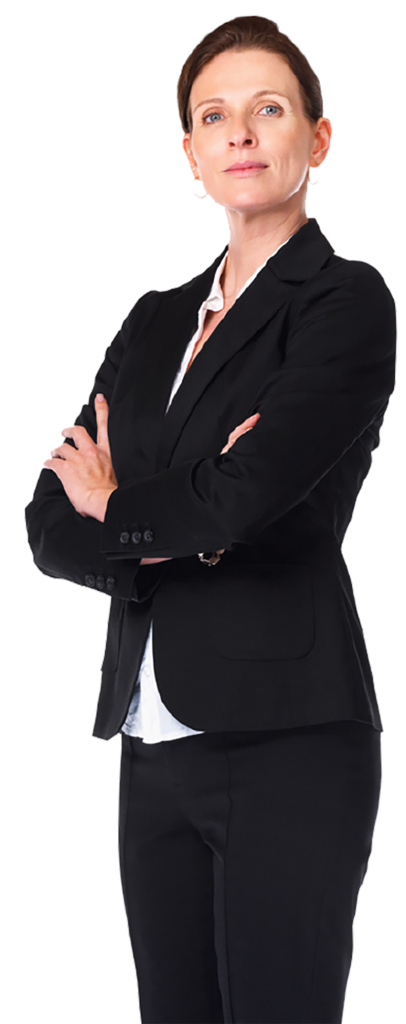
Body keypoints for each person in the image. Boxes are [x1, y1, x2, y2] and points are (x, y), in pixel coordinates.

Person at [24, 14, 397, 1024]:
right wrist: (177, 519)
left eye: (268, 109)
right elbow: (50, 522)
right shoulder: (153, 319)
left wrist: (124, 502)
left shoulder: (345, 301)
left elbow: (248, 494)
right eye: (213, 116)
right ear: (189, 152)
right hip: (150, 740)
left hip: (287, 735)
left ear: (318, 139)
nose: (240, 132)